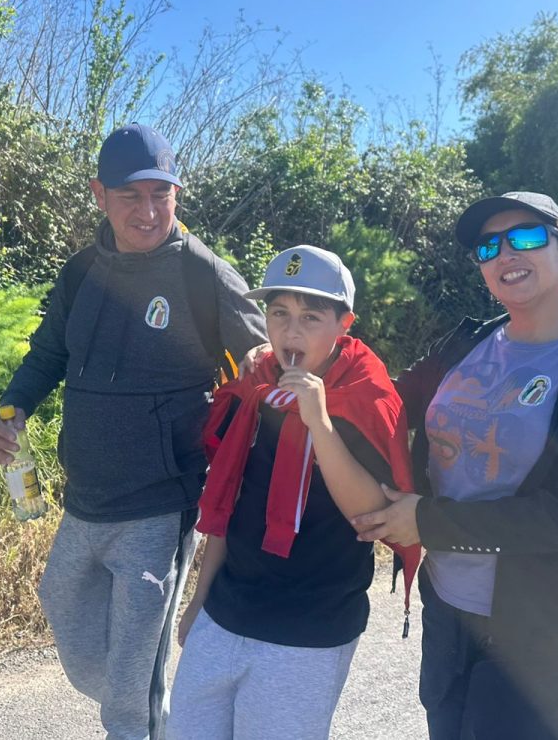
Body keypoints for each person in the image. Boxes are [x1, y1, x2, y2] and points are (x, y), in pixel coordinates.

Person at [0, 123, 267, 740]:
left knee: (135, 684)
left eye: (160, 194)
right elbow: (47, 354)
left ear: (177, 194)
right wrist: (10, 408)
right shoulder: (82, 272)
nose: (147, 210)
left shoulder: (202, 273)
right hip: (84, 500)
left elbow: (265, 354)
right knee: (66, 612)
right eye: (131, 195)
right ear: (99, 195)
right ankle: (145, 711)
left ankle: (140, 722)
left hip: (162, 503)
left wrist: (258, 369)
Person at [351, 191, 558, 740]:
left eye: (526, 236)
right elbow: (387, 406)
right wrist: (306, 351)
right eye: (489, 246)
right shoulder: (469, 341)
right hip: (448, 608)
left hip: (550, 629)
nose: (503, 253)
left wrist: (428, 522)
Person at [167, 245, 420, 740]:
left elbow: (370, 516)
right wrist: (198, 599)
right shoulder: (259, 385)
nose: (292, 330)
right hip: (226, 612)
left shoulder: (366, 396)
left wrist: (319, 422)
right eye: (279, 314)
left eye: (311, 317)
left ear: (344, 324)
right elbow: (231, 502)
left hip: (310, 628)